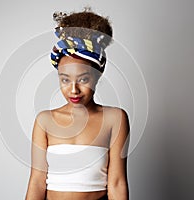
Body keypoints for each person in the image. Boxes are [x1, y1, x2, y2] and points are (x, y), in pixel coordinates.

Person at [26, 8, 130, 200]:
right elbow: (37, 181)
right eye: (65, 80)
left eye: (83, 79)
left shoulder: (115, 119)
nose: (73, 90)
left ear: (97, 76)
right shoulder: (45, 121)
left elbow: (117, 182)